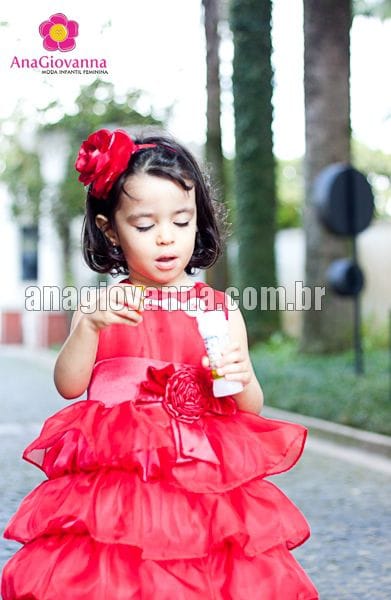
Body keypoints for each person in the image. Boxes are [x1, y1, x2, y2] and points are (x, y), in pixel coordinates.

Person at [1, 128, 319, 599]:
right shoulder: (107, 306)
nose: (166, 238)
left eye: (182, 220)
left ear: (199, 221)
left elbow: (249, 407)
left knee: (202, 573)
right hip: (122, 486)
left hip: (201, 482)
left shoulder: (218, 308)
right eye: (145, 226)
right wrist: (86, 327)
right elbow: (70, 387)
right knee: (125, 576)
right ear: (112, 229)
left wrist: (241, 375)